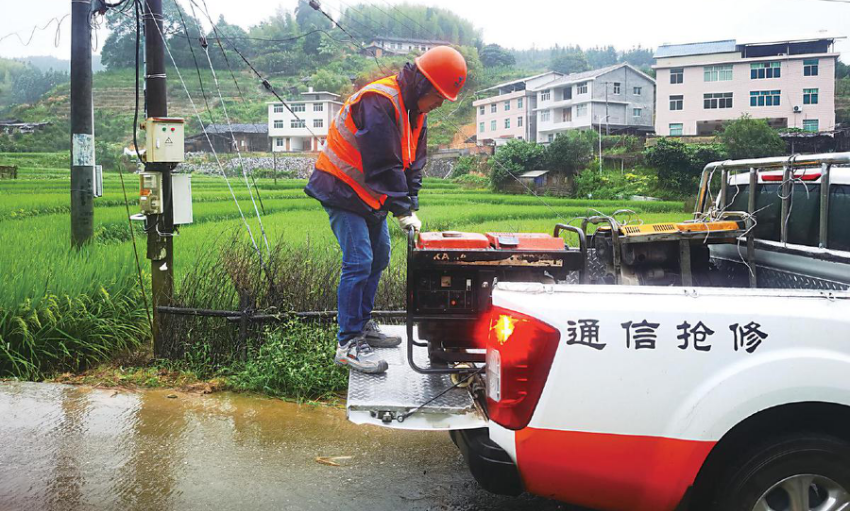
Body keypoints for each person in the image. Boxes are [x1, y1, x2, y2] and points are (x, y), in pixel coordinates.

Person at [305, 46, 467, 374]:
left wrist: (412, 205)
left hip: (370, 196)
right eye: (438, 97)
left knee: (379, 257)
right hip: (341, 189)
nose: (438, 105)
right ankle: (348, 343)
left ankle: (362, 325)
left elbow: (413, 166)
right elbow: (382, 163)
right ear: (423, 85)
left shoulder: (416, 115)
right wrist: (402, 209)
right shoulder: (379, 101)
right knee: (359, 260)